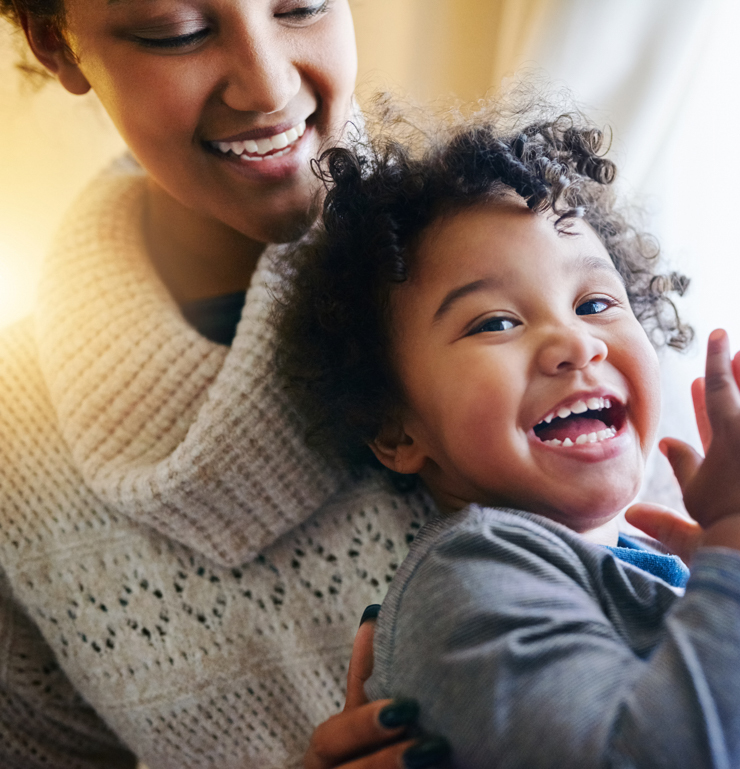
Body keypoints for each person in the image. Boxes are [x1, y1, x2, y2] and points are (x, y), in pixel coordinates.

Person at [275, 101, 740, 768]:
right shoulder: (467, 578)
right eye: (494, 322)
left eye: (595, 304)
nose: (575, 342)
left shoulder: (670, 571)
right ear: (395, 427)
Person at [0, 1, 448, 767]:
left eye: (302, 6)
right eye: (177, 32)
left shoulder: (540, 272)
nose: (270, 88)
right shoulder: (17, 451)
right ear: (57, 44)